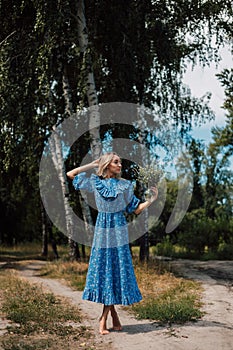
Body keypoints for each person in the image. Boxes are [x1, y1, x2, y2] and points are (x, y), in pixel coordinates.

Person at [66, 152, 158, 335]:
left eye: (120, 162)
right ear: (107, 164)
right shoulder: (95, 182)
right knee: (105, 270)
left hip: (119, 230)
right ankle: (110, 317)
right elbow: (71, 174)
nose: (120, 165)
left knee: (116, 270)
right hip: (102, 230)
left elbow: (136, 209)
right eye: (116, 162)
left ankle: (105, 318)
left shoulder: (125, 186)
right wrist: (92, 165)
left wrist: (151, 200)